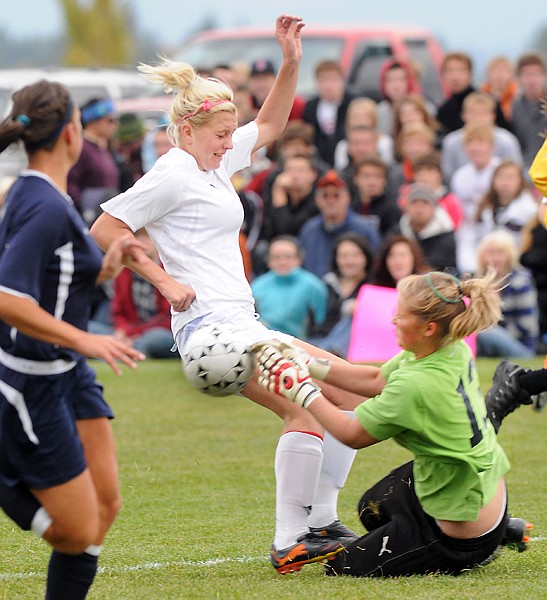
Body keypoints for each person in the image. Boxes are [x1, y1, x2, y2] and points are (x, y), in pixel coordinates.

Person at [90, 15, 367, 575]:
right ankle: (292, 538)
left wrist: (291, 62)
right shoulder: (173, 171)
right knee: (307, 408)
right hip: (210, 330)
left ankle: (319, 522)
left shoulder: (213, 163)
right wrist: (164, 282)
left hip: (241, 322)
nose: (229, 142)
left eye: (229, 133)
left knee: (349, 399)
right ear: (187, 129)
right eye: (221, 134)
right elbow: (105, 229)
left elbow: (270, 126)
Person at [253, 269, 520, 577]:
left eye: (401, 316)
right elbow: (375, 378)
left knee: (340, 568)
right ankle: (498, 528)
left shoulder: (414, 385)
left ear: (429, 328)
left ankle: (479, 547)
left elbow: (351, 434)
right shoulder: (448, 347)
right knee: (372, 509)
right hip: (483, 491)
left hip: (461, 531)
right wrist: (308, 364)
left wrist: (302, 391)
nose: (393, 320)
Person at [0, 79, 145, 599]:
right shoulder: (45, 204)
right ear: (69, 135)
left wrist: (104, 268)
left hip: (68, 374)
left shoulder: (40, 193)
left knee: (105, 508)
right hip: (34, 378)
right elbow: (6, 297)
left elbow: (52, 277)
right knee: (76, 530)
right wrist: (86, 340)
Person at [298, 169, 380, 277]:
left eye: (336, 195)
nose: (330, 201)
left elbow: (375, 268)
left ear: (347, 198)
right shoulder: (309, 230)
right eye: (325, 196)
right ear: (317, 200)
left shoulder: (365, 229)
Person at [307, 232, 373, 358]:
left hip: (354, 349)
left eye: (356, 255)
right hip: (319, 340)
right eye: (344, 256)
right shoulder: (325, 284)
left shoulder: (373, 285)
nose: (349, 261)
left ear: (366, 257)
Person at [474, 230, 538, 358]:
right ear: (482, 256)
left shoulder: (521, 282)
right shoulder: (476, 282)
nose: (495, 258)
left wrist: (496, 327)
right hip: (485, 341)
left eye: (500, 253)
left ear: (510, 255)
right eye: (491, 253)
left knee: (486, 333)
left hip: (521, 347)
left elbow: (526, 326)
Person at [251, 236, 327, 339]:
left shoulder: (314, 286)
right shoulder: (257, 286)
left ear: (299, 259)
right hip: (265, 342)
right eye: (276, 257)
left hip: (303, 344)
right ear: (268, 260)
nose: (282, 262)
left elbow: (321, 322)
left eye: (288, 257)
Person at [450, 123, 501, 274]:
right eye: (470, 143)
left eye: (480, 142)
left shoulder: (500, 170)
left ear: (491, 145)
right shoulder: (460, 176)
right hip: (468, 232)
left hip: (496, 228)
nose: (475, 148)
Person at [440, 92, 522, 181]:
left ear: (493, 116)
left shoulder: (506, 140)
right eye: (473, 113)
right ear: (463, 115)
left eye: (483, 113)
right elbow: (448, 174)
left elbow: (516, 171)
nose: (478, 118)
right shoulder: (451, 141)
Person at [475, 159, 538, 247]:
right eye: (501, 177)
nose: (505, 183)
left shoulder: (530, 209)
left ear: (520, 181)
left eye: (510, 177)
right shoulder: (484, 206)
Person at [302, 60, 354, 167]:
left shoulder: (353, 104)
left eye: (333, 80)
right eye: (323, 80)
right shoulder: (310, 107)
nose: (328, 86)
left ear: (342, 80)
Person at [396, 182, 457, 272]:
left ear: (434, 208)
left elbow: (435, 266)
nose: (419, 207)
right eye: (414, 202)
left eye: (425, 202)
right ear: (407, 207)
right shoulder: (397, 232)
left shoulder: (446, 235)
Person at [333, 97, 394, 170]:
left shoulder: (384, 142)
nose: (360, 121)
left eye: (365, 116)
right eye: (355, 116)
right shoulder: (343, 146)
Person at [511, 52, 547, 170]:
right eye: (527, 75)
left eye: (536, 74)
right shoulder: (514, 106)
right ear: (519, 78)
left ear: (544, 76)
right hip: (524, 166)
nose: (532, 80)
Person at [352, 155, 402, 236]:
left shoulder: (392, 211)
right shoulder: (350, 208)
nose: (372, 182)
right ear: (356, 179)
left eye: (377, 177)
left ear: (385, 181)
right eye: (366, 176)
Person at [411, 153, 464, 230]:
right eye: (419, 172)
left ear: (440, 175)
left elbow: (455, 229)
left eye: (429, 171)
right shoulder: (408, 200)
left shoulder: (450, 201)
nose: (423, 177)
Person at [480, 56, 519, 123]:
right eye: (495, 71)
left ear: (511, 74)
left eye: (503, 71)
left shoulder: (517, 96)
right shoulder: (480, 96)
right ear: (488, 74)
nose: (499, 75)